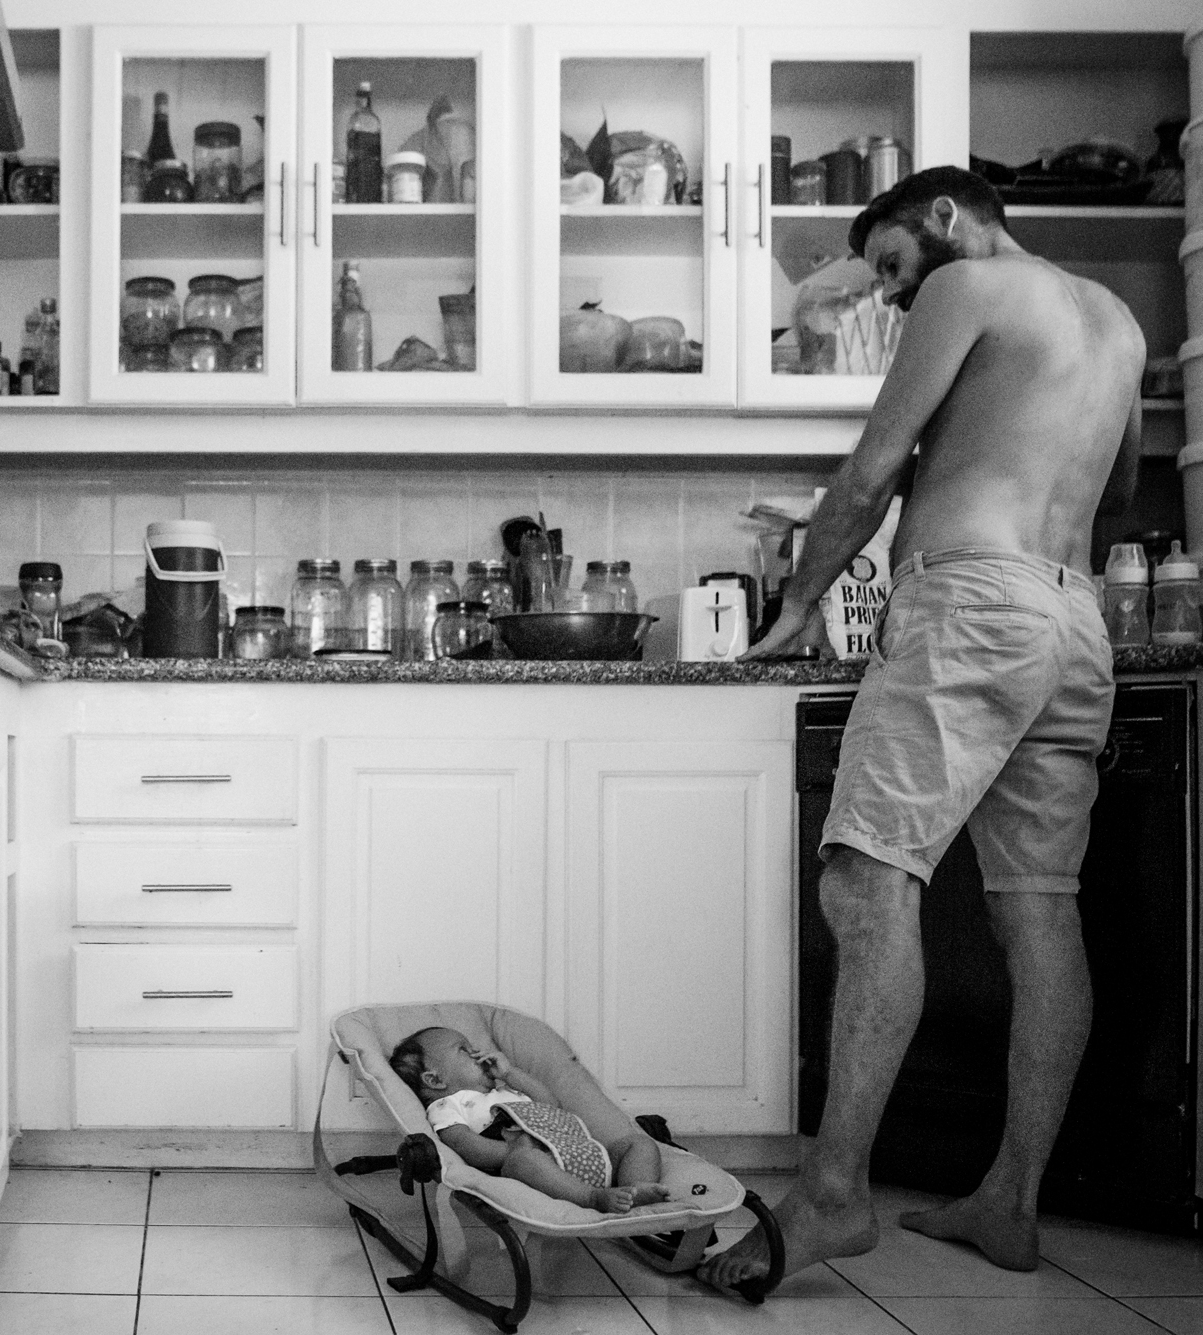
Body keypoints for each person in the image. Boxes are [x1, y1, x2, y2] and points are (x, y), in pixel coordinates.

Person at [701, 165, 1145, 1293]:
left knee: (865, 876)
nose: (895, 299)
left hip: (971, 602)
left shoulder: (970, 286)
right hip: (1071, 616)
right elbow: (1124, 482)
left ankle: (834, 1194)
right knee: (1038, 904)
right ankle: (1009, 1200)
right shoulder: (1115, 320)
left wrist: (796, 606)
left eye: (892, 267)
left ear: (945, 219)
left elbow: (870, 468)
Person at [390, 1027, 671, 1214]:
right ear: (435, 1080)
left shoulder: (505, 1090)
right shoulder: (447, 1105)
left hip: (577, 1152)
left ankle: (637, 1190)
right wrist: (517, 1151)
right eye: (463, 1049)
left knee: (639, 1144)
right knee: (526, 1161)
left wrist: (511, 1073)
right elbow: (467, 1146)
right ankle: (593, 1199)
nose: (477, 1052)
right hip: (529, 1166)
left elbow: (552, 1107)